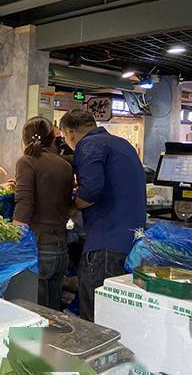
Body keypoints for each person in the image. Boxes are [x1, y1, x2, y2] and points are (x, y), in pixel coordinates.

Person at [60, 109, 146, 322]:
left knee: (97, 317)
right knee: (117, 315)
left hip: (106, 243)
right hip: (130, 242)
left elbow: (90, 192)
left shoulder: (89, 145)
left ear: (70, 133)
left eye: (64, 137)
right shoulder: (121, 144)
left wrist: (71, 207)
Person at [13, 117, 74, 311]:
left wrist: (14, 239)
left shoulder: (27, 162)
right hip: (60, 247)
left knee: (36, 311)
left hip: (38, 246)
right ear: (53, 138)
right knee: (53, 308)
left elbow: (25, 203)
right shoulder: (64, 165)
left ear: (24, 139)